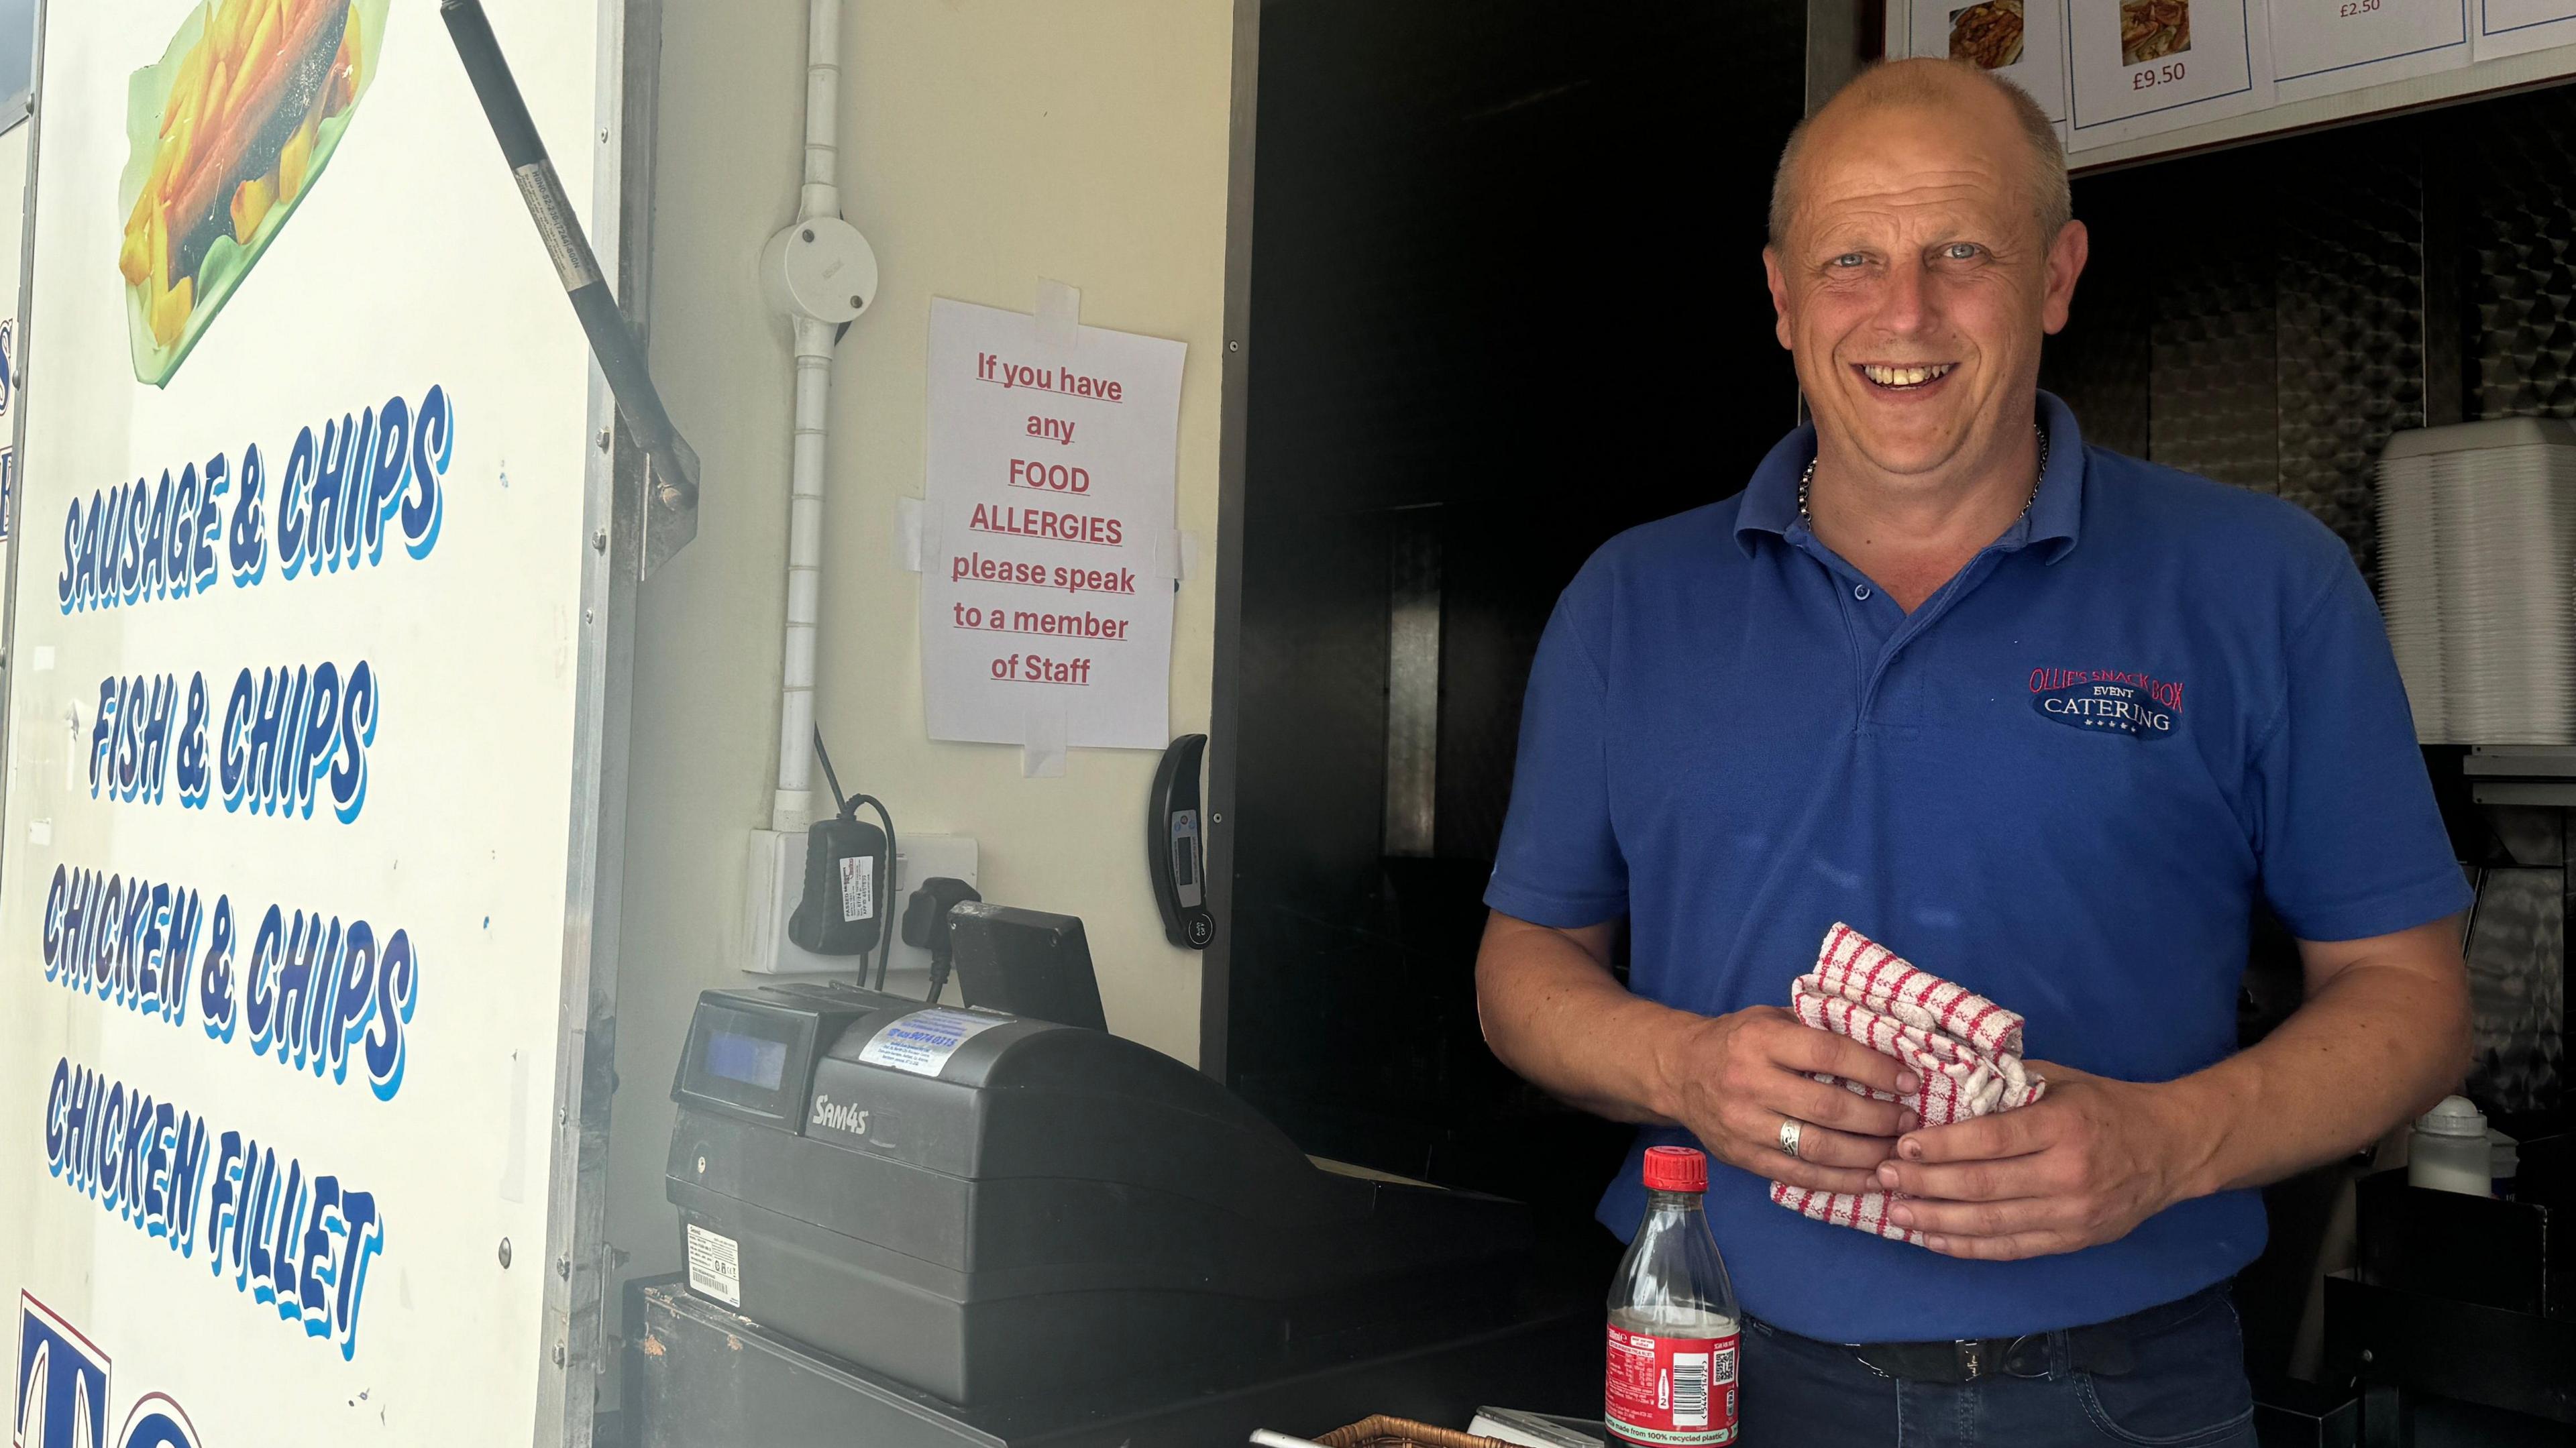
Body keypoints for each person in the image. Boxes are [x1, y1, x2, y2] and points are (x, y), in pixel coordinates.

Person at [1473, 58, 2471, 1447]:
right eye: (1851, 260)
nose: (1905, 311)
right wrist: (1686, 1068)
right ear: (1779, 296)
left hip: (2119, 1394)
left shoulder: (2264, 585)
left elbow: (2412, 998)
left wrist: (2167, 1144)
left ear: (2057, 277)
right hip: (1714, 1377)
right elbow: (1523, 973)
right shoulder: (1630, 605)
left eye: (1962, 252)